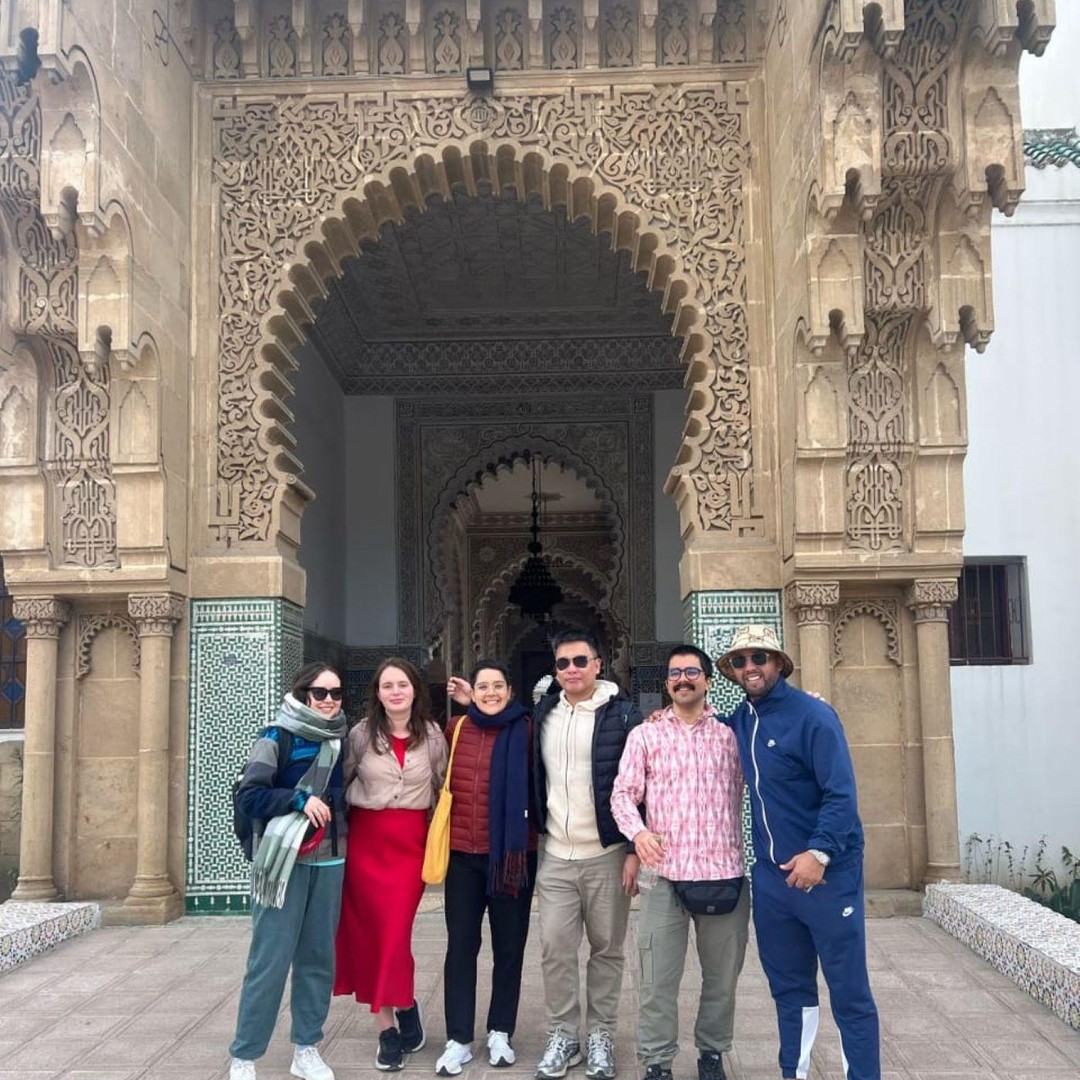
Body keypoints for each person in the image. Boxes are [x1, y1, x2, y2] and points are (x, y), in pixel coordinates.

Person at [715, 625, 880, 1080]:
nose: (750, 667)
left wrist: (819, 853)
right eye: (740, 661)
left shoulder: (814, 717)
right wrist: (666, 717)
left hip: (827, 877)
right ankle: (795, 1072)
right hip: (774, 881)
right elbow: (706, 729)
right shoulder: (742, 720)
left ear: (779, 663)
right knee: (789, 990)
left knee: (848, 991)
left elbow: (841, 794)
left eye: (759, 658)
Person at [611, 645, 749, 1080]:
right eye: (675, 673)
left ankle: (712, 1053)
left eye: (692, 671)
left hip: (723, 874)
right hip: (664, 878)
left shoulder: (732, 734)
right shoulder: (646, 735)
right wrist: (638, 834)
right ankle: (657, 1061)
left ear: (707, 680)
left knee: (721, 980)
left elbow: (778, 753)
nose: (683, 679)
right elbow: (622, 794)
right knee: (656, 980)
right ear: (667, 682)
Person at [229, 661, 349, 1080]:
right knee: (270, 959)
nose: (329, 700)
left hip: (330, 859)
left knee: (318, 958)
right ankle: (245, 1055)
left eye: (336, 693)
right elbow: (250, 796)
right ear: (303, 695)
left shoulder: (342, 738)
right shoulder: (275, 737)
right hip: (283, 864)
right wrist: (298, 800)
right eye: (320, 693)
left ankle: (306, 1048)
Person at [532, 629, 642, 1080]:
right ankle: (563, 1033)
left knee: (607, 949)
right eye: (563, 663)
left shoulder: (625, 715)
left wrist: (634, 848)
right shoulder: (544, 714)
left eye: (580, 661)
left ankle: (600, 1034)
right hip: (557, 855)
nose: (572, 669)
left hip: (607, 853)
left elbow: (643, 782)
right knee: (555, 947)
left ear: (598, 664)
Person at [334, 657, 449, 1071]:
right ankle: (388, 1029)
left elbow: (442, 788)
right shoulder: (361, 735)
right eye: (387, 686)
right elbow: (340, 783)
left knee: (394, 935)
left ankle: (406, 1002)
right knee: (372, 937)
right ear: (378, 694)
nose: (395, 692)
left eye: (402, 684)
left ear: (415, 690)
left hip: (409, 847)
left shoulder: (433, 736)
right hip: (366, 845)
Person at [434, 660, 538, 1076]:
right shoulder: (456, 729)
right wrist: (466, 707)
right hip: (463, 856)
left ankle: (501, 1030)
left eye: (498, 686)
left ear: (510, 691)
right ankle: (459, 1037)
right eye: (483, 686)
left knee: (509, 948)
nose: (491, 693)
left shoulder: (527, 730)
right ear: (472, 691)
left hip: (512, 857)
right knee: (461, 947)